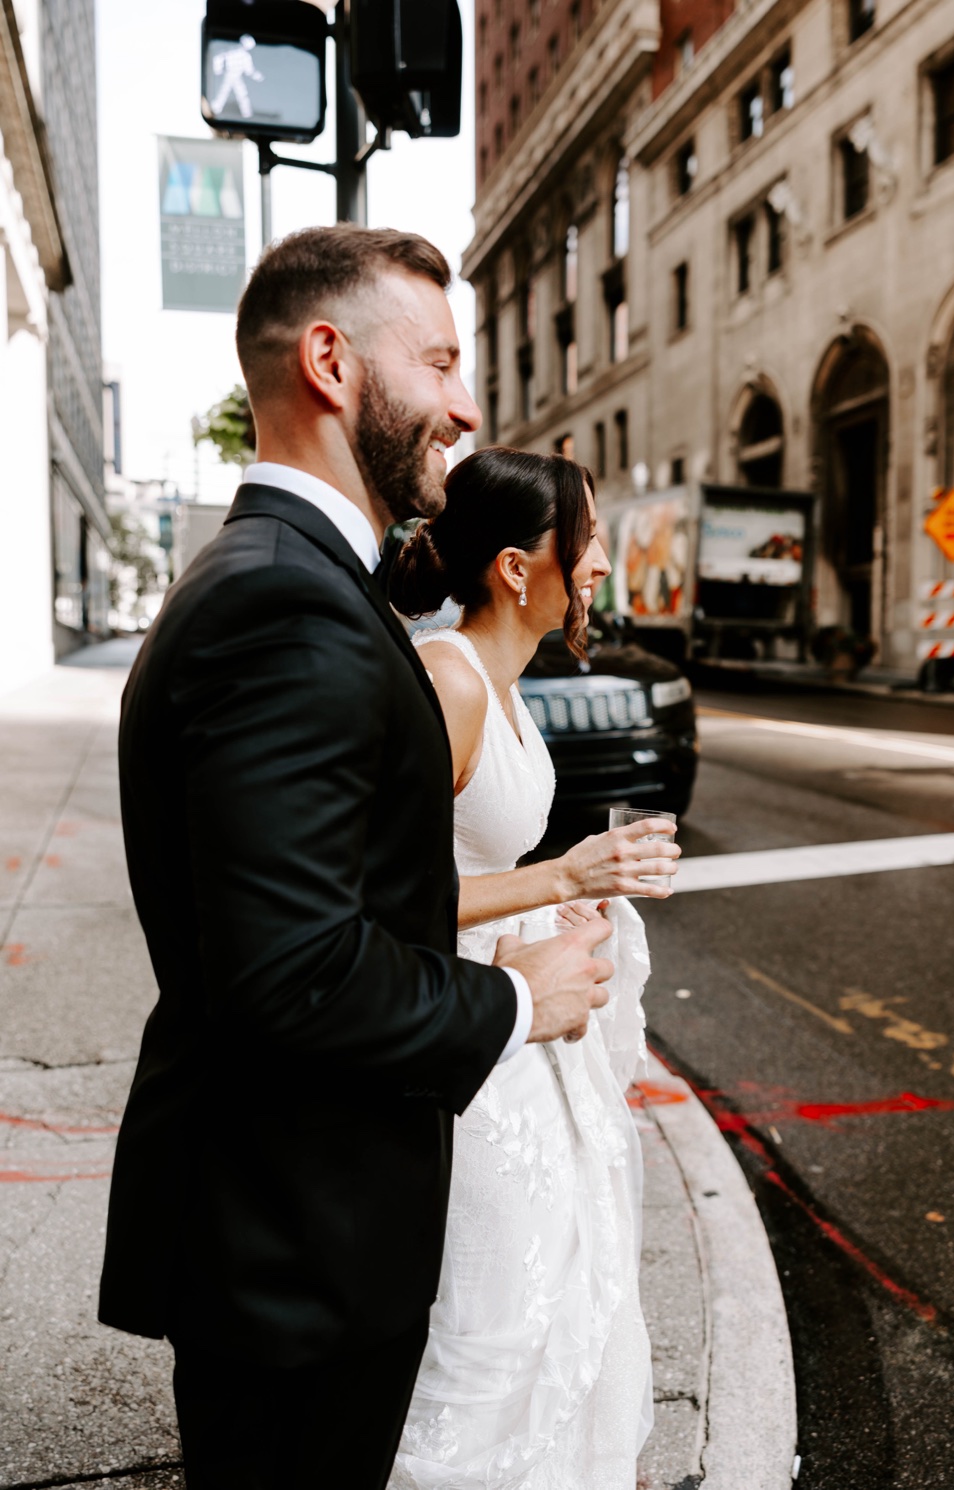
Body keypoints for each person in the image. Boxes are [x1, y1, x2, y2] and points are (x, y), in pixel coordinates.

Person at [101, 226, 617, 1488]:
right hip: (294, 1250)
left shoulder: (306, 582)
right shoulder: (283, 604)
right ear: (330, 361)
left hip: (303, 1235)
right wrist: (516, 994)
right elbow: (294, 971)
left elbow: (341, 887)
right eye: (438, 361)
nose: (465, 401)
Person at [386, 448, 674, 1486]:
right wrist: (560, 872)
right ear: (517, 566)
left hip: (521, 1013)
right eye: (584, 537)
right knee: (501, 1307)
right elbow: (390, 898)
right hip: (470, 1032)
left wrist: (574, 892)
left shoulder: (505, 684)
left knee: (568, 1280)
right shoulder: (447, 680)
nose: (597, 560)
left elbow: (486, 867)